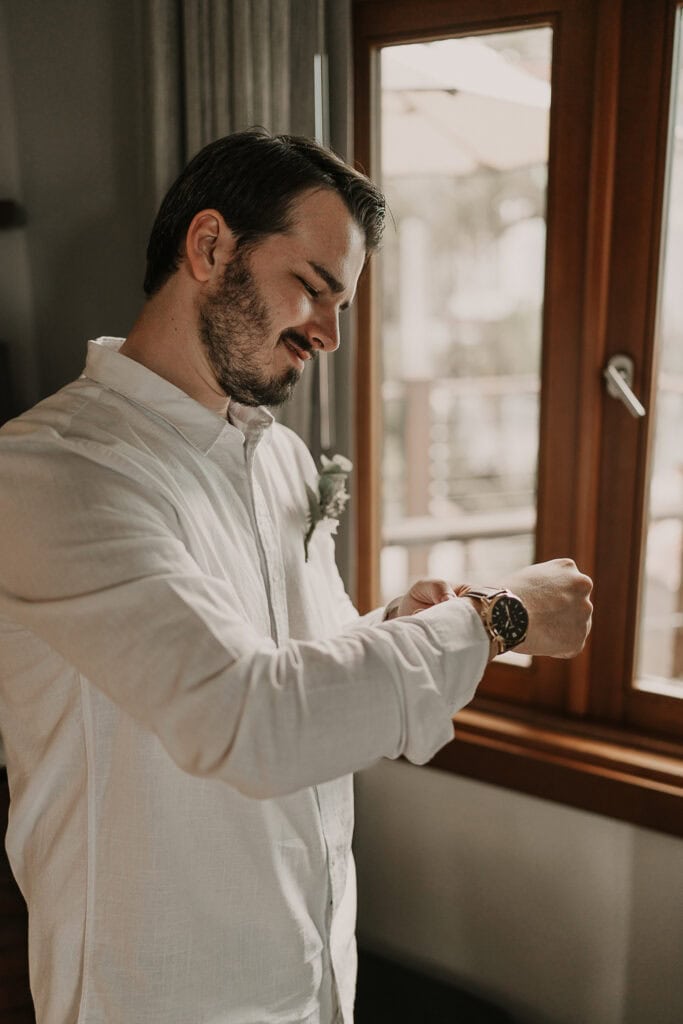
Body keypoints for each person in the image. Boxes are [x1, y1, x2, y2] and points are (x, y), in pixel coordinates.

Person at [0, 128, 592, 1024]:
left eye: (343, 304)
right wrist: (497, 620)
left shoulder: (276, 455)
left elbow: (296, 663)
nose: (329, 333)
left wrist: (387, 626)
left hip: (307, 970)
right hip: (157, 993)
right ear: (208, 247)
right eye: (313, 288)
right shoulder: (53, 472)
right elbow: (252, 717)